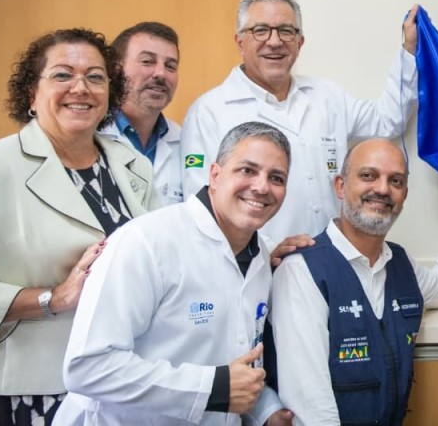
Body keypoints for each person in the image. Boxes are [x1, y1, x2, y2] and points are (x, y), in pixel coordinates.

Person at [0, 28, 155, 425]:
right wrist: (54, 298)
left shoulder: (134, 166)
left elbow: (163, 258)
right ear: (32, 94)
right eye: (63, 75)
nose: (80, 88)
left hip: (115, 383)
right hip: (26, 391)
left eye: (95, 77)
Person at [56, 122, 294, 426]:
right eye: (247, 170)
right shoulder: (146, 243)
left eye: (276, 178)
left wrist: (266, 410)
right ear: (215, 175)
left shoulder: (263, 256)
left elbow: (234, 366)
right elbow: (87, 367)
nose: (261, 187)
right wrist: (212, 389)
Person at [269, 138, 438, 425]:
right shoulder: (301, 270)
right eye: (368, 175)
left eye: (396, 181)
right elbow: (311, 408)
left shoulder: (401, 264)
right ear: (341, 186)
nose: (383, 189)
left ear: (404, 196)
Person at [180, 0, 420, 243]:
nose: (274, 41)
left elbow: (388, 120)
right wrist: (264, 251)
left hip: (330, 256)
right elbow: (202, 208)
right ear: (240, 42)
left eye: (286, 31)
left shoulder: (326, 96)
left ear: (299, 42)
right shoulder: (209, 111)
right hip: (258, 261)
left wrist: (410, 49)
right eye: (260, 30)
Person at [100, 21, 184, 206]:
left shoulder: (183, 140)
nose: (161, 73)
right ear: (116, 69)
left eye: (170, 66)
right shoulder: (91, 135)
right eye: (147, 61)